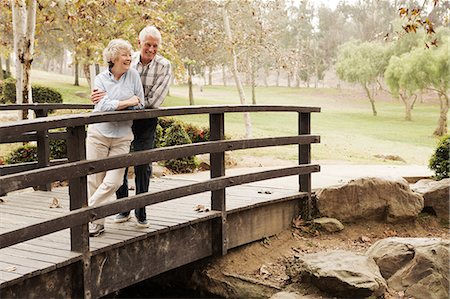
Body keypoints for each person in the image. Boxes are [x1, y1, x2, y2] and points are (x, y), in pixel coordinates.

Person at [91, 26, 172, 228]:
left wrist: (118, 101)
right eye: (148, 45)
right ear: (139, 43)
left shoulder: (164, 66)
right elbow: (107, 91)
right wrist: (125, 100)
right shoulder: (127, 58)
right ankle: (123, 208)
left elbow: (152, 101)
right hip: (119, 121)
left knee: (143, 164)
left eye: (155, 46)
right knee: (119, 165)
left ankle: (141, 210)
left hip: (145, 121)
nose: (151, 49)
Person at [87, 39, 144, 237]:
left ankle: (86, 211)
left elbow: (141, 103)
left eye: (130, 54)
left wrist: (114, 102)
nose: (129, 58)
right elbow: (101, 107)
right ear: (113, 58)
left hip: (122, 137)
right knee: (95, 180)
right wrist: (128, 101)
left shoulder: (134, 76)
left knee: (114, 181)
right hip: (98, 135)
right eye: (125, 55)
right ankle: (96, 224)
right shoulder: (100, 79)